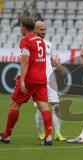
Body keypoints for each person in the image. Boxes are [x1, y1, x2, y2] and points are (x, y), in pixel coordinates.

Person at [0, 17, 52, 145]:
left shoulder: (25, 41)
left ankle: (6, 135)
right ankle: (48, 136)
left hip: (29, 79)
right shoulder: (41, 41)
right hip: (41, 78)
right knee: (44, 106)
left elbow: (25, 60)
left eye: (20, 26)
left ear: (23, 27)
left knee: (14, 105)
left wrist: (22, 79)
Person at [34, 21, 66, 141]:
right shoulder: (32, 43)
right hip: (39, 79)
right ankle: (40, 132)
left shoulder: (48, 44)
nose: (44, 32)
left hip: (50, 79)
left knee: (56, 106)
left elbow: (49, 58)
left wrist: (58, 65)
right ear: (35, 30)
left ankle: (58, 133)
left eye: (45, 29)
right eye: (41, 30)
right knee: (40, 107)